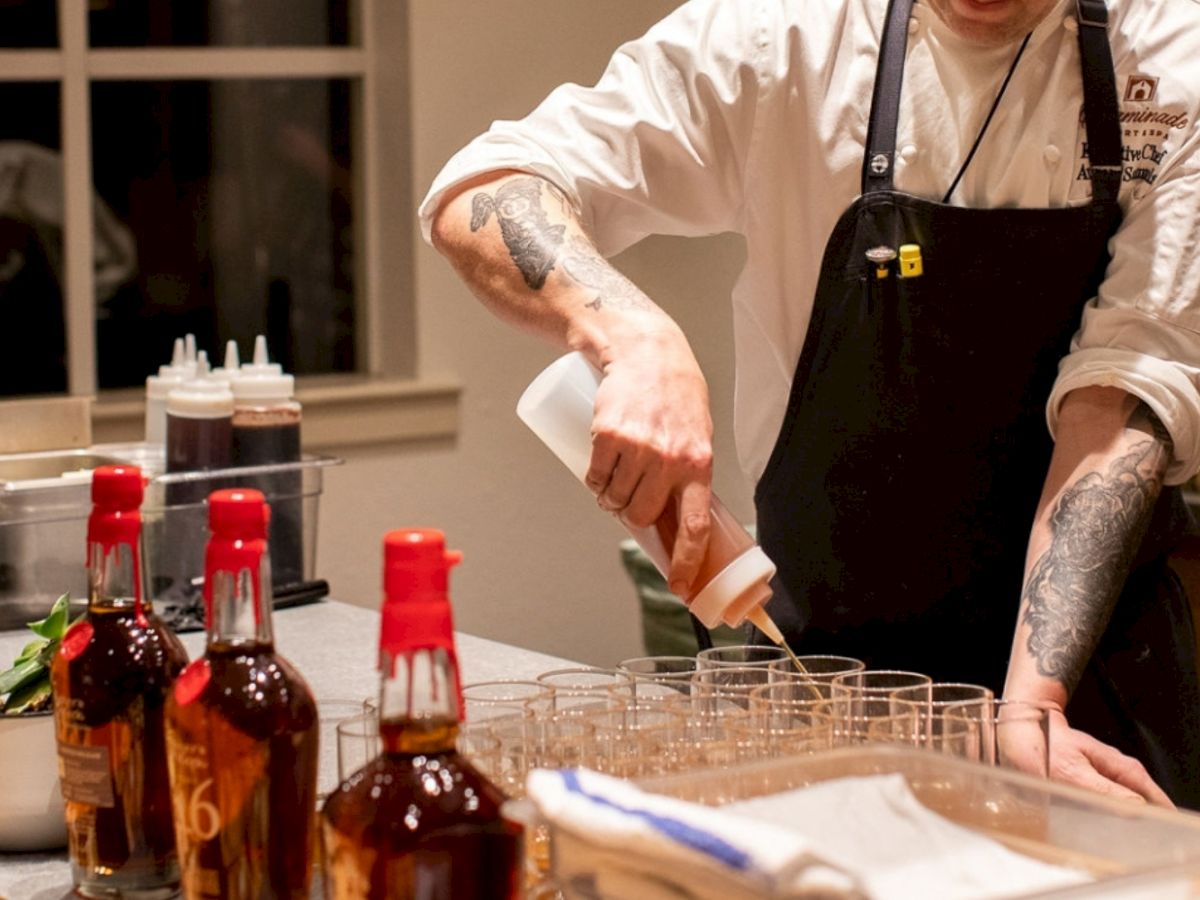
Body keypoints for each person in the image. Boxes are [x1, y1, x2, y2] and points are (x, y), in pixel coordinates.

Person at [420, 0, 1200, 809]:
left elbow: (1117, 402)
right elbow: (485, 184)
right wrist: (633, 335)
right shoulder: (784, 35)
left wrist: (1031, 705)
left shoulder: (1173, 60)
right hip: (826, 681)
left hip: (1079, 698)